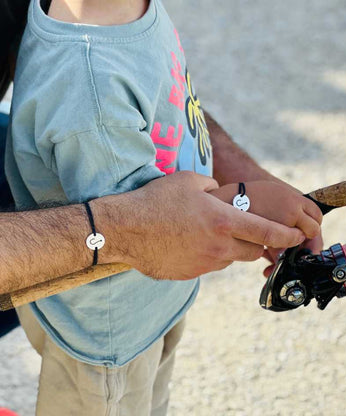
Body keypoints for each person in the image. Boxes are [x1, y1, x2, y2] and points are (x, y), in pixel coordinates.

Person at [3, 0, 323, 414]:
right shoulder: (90, 90)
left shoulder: (128, 13)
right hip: (108, 339)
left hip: (155, 298)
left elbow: (167, 105)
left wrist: (249, 181)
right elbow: (145, 223)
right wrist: (247, 202)